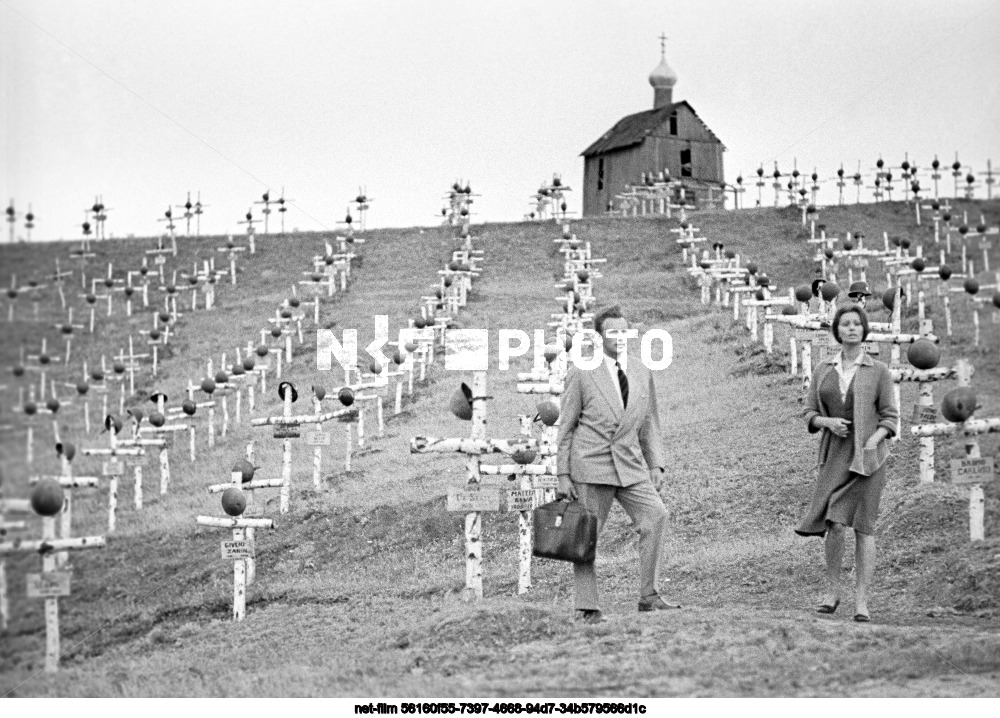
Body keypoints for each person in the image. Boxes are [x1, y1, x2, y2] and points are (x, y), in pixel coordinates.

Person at [556, 305, 674, 624]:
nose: (620, 338)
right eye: (613, 332)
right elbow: (565, 427)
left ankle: (649, 596)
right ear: (599, 337)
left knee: (655, 516)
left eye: (624, 331)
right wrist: (563, 474)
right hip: (590, 464)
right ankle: (587, 606)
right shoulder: (581, 372)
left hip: (630, 464)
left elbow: (649, 421)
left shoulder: (640, 369)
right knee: (587, 535)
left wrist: (656, 465)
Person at [795, 304, 898, 623]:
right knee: (834, 524)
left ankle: (862, 602)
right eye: (845, 324)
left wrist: (873, 439)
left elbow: (890, 417)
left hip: (868, 459)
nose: (851, 328)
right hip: (834, 457)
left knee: (864, 529)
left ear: (864, 331)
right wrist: (827, 423)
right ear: (837, 330)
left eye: (857, 324)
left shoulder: (878, 370)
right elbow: (809, 412)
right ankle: (833, 591)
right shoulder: (824, 367)